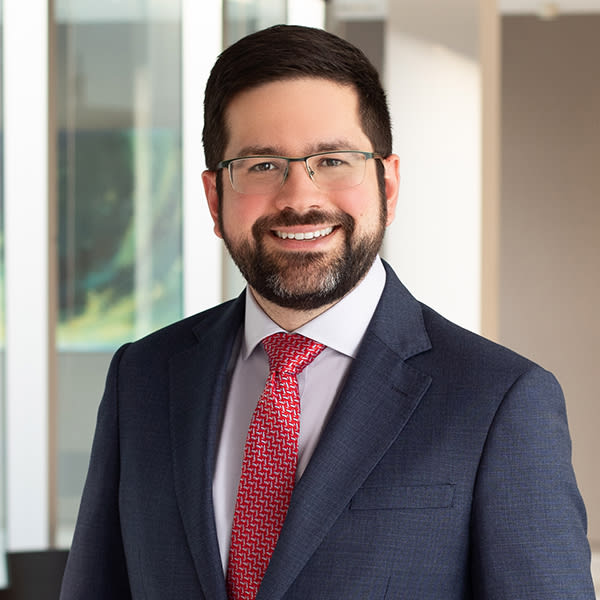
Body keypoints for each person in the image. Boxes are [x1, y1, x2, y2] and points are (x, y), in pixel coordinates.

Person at [60, 24, 595, 600]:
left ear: (388, 184)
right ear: (215, 199)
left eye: (333, 160)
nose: (299, 198)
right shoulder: (141, 378)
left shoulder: (498, 400)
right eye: (262, 166)